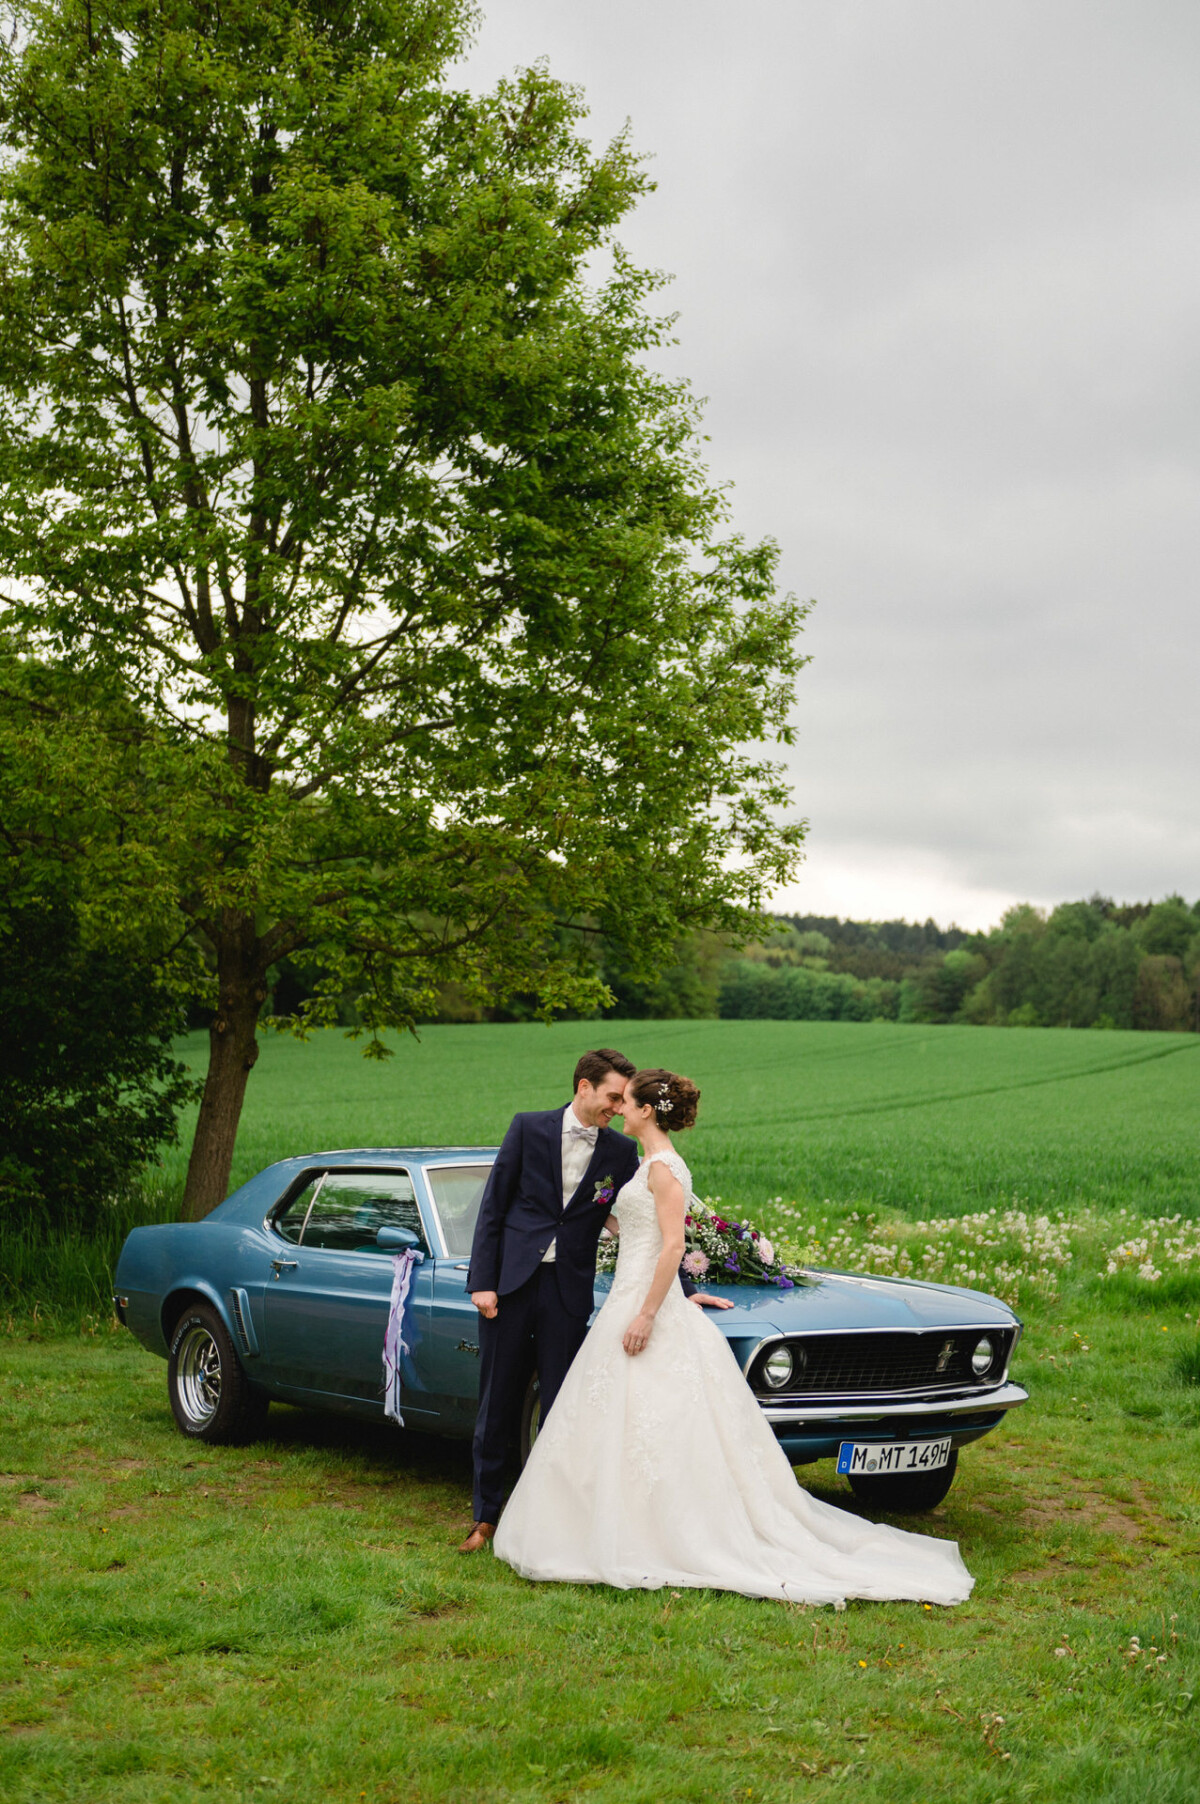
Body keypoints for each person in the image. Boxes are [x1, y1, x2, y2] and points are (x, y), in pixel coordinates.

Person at [491, 1066, 974, 1607]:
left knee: (654, 1417)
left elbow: (672, 1245)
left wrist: (650, 1312)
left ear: (648, 1110)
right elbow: (637, 1230)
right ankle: (611, 1521)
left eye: (626, 1102)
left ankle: (662, 1532)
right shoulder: (647, 1164)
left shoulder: (663, 1168)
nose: (619, 1110)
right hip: (632, 1294)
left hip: (641, 1307)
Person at [459, 1049, 731, 1554]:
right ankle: (486, 1517)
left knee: (566, 1406)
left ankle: (552, 1517)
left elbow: (644, 1226)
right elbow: (493, 1206)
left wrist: (685, 1293)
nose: (615, 1107)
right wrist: (483, 1282)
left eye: (624, 1100)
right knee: (496, 1401)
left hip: (568, 1291)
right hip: (511, 1287)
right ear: (583, 1086)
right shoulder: (527, 1127)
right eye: (611, 1096)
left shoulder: (620, 1153)